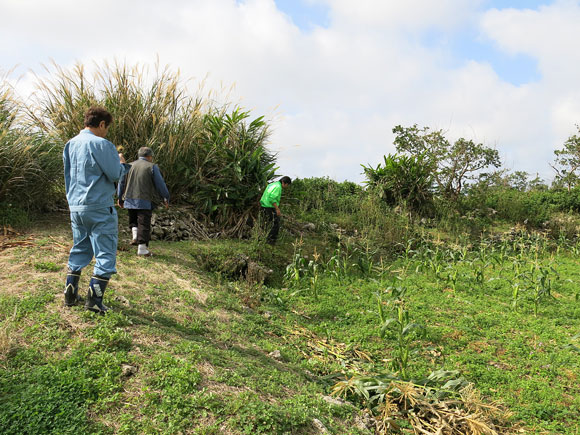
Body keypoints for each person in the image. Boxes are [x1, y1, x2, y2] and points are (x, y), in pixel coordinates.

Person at [63, 106, 130, 314]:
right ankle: (94, 301)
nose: (106, 131)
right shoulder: (102, 144)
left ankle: (70, 295)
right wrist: (122, 164)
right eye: (106, 127)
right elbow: (115, 174)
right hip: (99, 206)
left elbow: (67, 175)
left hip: (76, 206)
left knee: (80, 247)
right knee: (105, 252)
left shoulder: (70, 144)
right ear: (101, 124)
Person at [118, 146, 170, 256]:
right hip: (145, 200)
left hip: (129, 198)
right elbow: (160, 184)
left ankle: (135, 237)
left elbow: (121, 182)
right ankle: (142, 249)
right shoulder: (152, 167)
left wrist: (119, 198)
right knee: (144, 222)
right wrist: (165, 197)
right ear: (149, 156)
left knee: (133, 219)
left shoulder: (129, 166)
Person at [259, 176, 292, 245]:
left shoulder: (272, 184)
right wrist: (277, 209)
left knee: (265, 223)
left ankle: (261, 239)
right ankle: (270, 241)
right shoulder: (278, 187)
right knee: (275, 224)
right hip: (269, 206)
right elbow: (272, 198)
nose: (287, 186)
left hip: (263, 205)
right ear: (283, 182)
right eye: (287, 185)